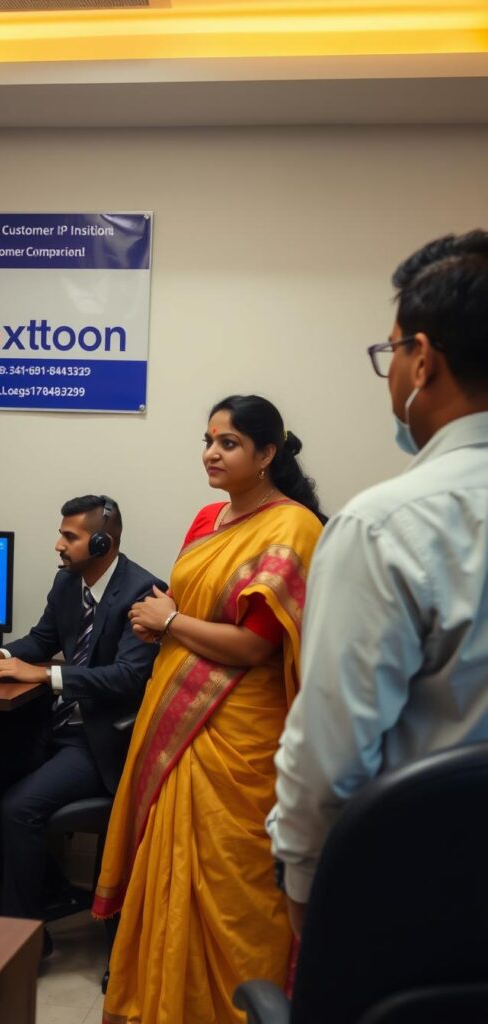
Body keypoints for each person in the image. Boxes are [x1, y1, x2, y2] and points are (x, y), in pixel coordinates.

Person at [270, 229, 488, 939]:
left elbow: (331, 750)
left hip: (425, 901)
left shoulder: (385, 525)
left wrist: (303, 882)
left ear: (421, 359)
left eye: (390, 351)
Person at [92, 396, 325, 1024]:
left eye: (228, 443)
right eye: (208, 440)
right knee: (167, 875)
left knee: (234, 887)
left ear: (267, 453)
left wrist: (171, 621)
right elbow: (189, 608)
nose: (211, 453)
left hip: (240, 734)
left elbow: (254, 644)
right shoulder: (205, 520)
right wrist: (158, 622)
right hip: (179, 721)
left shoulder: (293, 527)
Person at [0, 494, 166, 944]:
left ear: (104, 542)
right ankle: (42, 892)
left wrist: (46, 676)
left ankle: (22, 942)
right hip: (54, 727)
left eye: (70, 536)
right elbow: (41, 639)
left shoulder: (143, 592)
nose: (57, 545)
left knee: (18, 807)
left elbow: (127, 678)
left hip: (99, 740)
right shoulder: (68, 584)